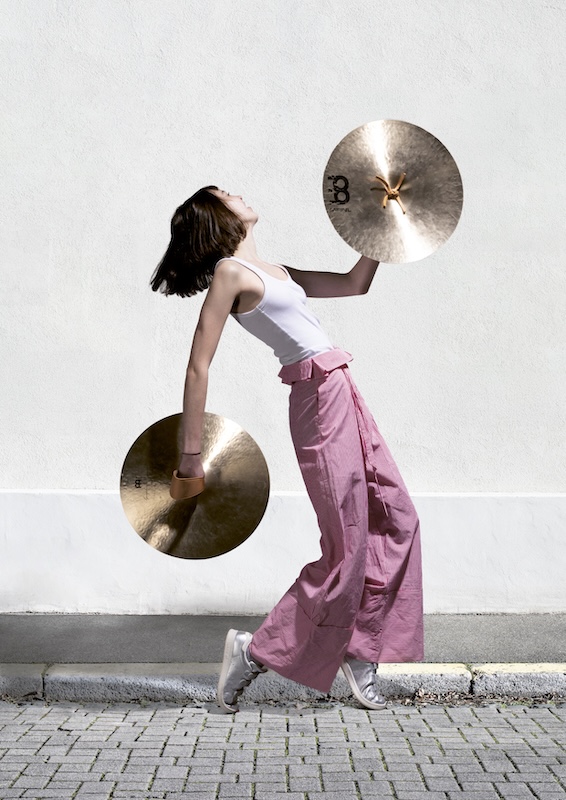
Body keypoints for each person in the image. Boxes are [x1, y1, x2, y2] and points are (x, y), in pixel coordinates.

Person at [151, 186, 424, 713]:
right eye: (225, 195)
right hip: (317, 402)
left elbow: (354, 283)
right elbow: (197, 366)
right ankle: (255, 651)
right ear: (216, 217)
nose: (239, 193)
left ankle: (359, 648)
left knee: (399, 519)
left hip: (343, 390)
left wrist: (381, 226)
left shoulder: (276, 269)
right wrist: (190, 456)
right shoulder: (230, 273)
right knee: (347, 546)